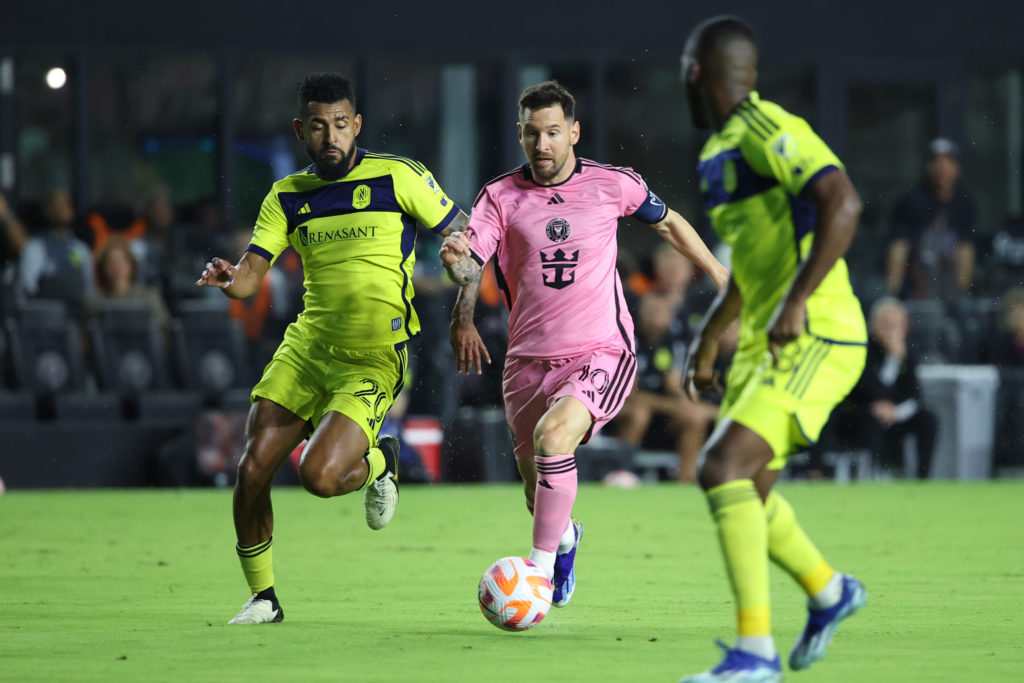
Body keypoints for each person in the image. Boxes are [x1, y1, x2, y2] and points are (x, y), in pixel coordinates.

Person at [439, 81, 728, 610]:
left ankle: (538, 578)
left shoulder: (612, 185)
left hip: (601, 351)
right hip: (526, 361)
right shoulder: (499, 196)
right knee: (535, 489)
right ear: (520, 135)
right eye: (532, 133)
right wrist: (460, 295)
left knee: (555, 440)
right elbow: (469, 260)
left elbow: (669, 226)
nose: (542, 143)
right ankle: (566, 539)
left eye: (552, 132)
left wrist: (719, 274)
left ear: (573, 132)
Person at [195, 72, 467, 625]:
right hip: (307, 350)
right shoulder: (288, 195)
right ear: (301, 130)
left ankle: (380, 461)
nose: (331, 136)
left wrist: (463, 271)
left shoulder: (398, 176)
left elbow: (466, 234)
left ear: (357, 124)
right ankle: (263, 598)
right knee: (251, 471)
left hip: (372, 355)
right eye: (319, 126)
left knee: (318, 479)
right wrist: (228, 279)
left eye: (341, 124)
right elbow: (250, 279)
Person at [678, 17, 869, 681]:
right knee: (749, 491)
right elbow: (756, 265)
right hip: (763, 340)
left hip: (818, 331)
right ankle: (829, 591)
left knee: (720, 465)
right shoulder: (718, 152)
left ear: (695, 72)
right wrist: (709, 336)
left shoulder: (763, 128)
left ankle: (754, 654)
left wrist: (796, 301)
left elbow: (843, 201)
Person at [611, 292, 718, 482]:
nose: (656, 316)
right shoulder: (628, 338)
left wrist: (688, 405)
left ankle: (686, 480)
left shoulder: (674, 340)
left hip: (661, 414)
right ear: (640, 312)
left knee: (693, 419)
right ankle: (621, 473)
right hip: (625, 411)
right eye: (651, 310)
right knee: (639, 413)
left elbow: (675, 384)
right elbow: (629, 394)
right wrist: (672, 406)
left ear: (671, 315)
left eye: (662, 311)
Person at [886, 138, 978, 301]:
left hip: (950, 290)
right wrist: (893, 294)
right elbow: (898, 249)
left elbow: (966, 250)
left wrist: (961, 294)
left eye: (948, 162)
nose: (942, 168)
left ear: (957, 168)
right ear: (927, 167)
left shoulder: (965, 204)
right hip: (916, 289)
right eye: (936, 162)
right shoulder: (910, 202)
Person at [18, 189, 95, 320]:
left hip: (75, 317)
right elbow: (28, 287)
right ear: (47, 210)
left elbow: (88, 287)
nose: (62, 210)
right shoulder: (34, 248)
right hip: (44, 318)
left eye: (66, 205)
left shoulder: (79, 249)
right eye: (57, 206)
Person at [88, 236, 170, 328]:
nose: (117, 267)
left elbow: (164, 330)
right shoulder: (94, 302)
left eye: (122, 261)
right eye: (111, 262)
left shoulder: (149, 297)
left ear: (132, 265)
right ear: (103, 268)